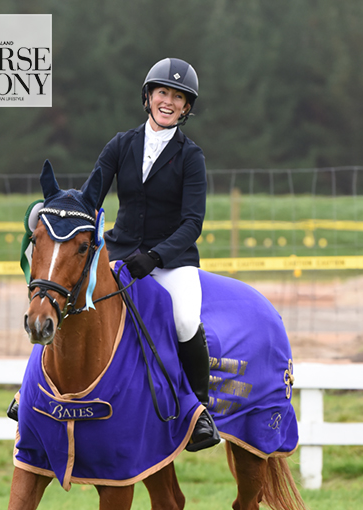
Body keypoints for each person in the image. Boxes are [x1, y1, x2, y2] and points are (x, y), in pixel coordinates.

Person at [85, 57, 219, 451]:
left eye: (178, 97)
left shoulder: (191, 157)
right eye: (163, 92)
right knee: (69, 297)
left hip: (172, 259)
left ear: (186, 108)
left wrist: (156, 257)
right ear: (148, 97)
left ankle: (198, 412)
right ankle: (31, 394)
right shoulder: (121, 144)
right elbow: (91, 197)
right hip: (121, 249)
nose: (169, 101)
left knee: (183, 320)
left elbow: (193, 222)